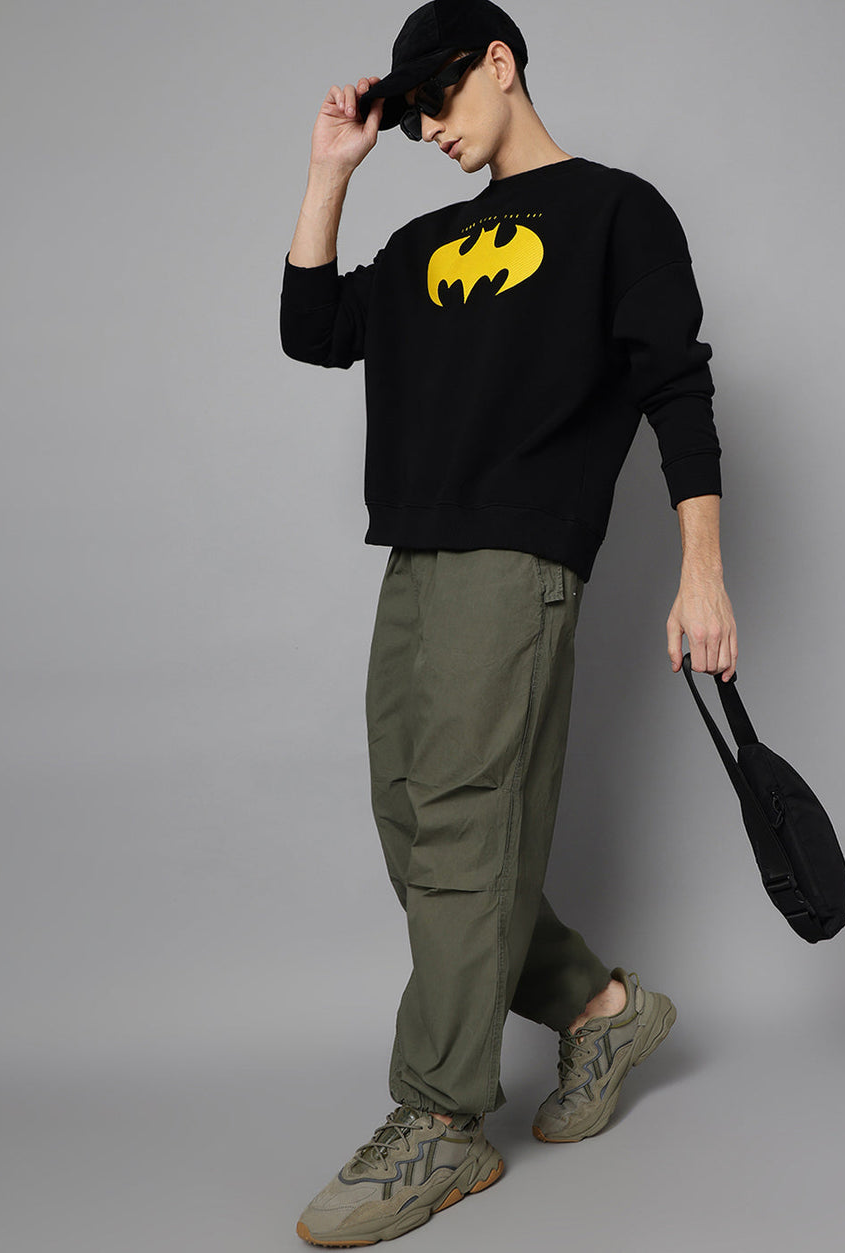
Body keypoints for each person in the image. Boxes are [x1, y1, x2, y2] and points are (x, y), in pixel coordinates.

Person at [279, 1, 738, 1244]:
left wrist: (700, 571)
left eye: (440, 98)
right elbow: (312, 330)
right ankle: (601, 1008)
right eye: (410, 114)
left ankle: (440, 1119)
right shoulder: (426, 241)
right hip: (415, 554)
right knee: (419, 833)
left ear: (500, 62)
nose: (430, 126)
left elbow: (676, 385)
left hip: (519, 554)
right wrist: (332, 170)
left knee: (462, 831)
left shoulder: (615, 212)